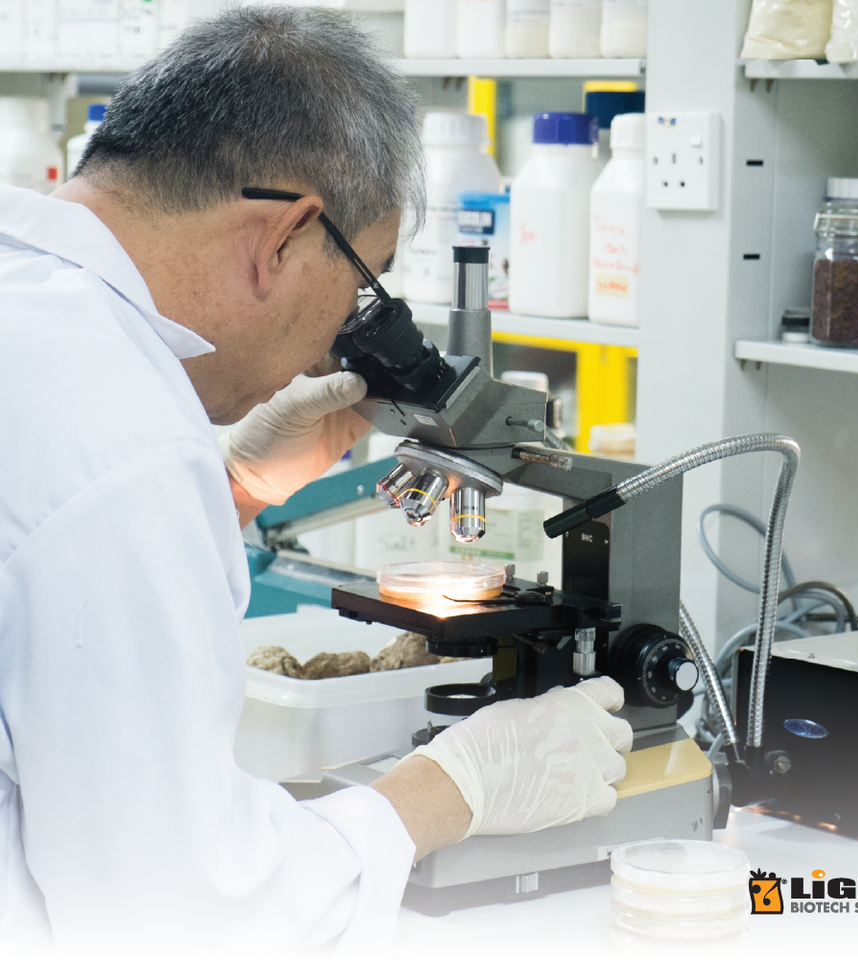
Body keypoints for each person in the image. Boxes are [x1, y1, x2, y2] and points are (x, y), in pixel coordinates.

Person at [0, 6, 632, 956]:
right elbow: (182, 914)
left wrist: (229, 491)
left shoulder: (35, 303)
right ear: (284, 238)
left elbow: (34, 555)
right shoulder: (123, 440)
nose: (337, 339)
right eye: (361, 285)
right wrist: (453, 788)